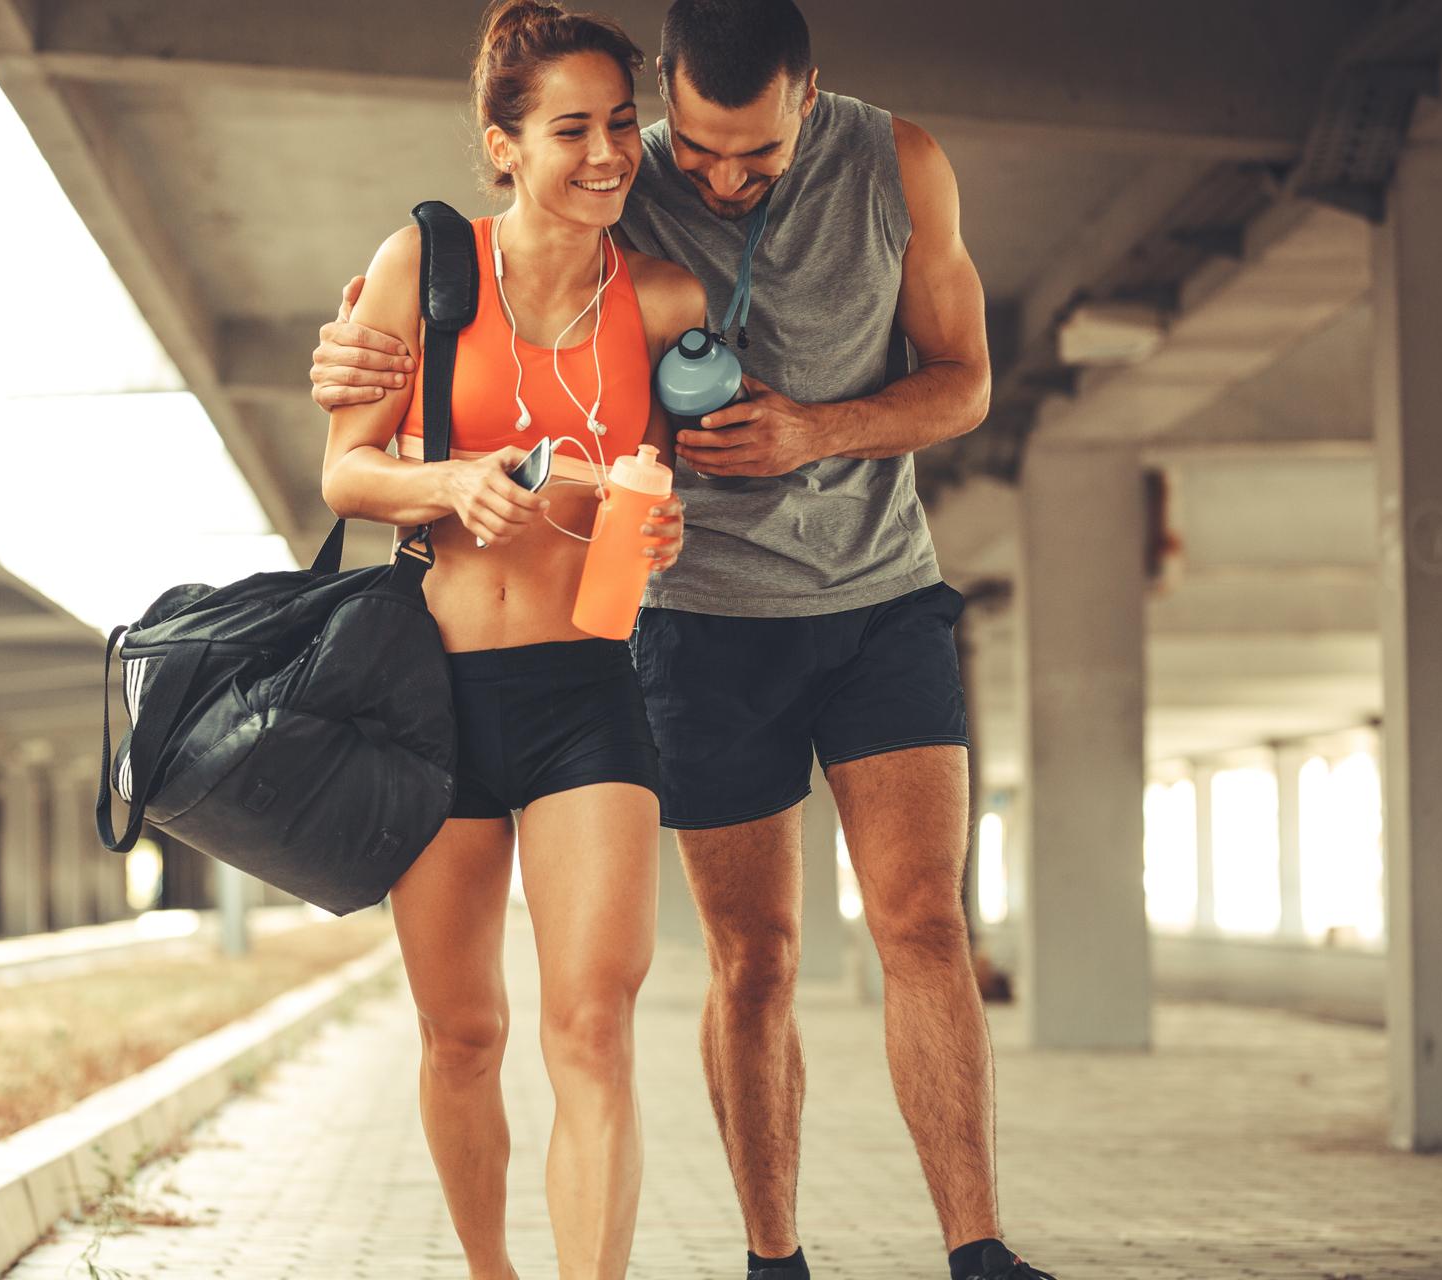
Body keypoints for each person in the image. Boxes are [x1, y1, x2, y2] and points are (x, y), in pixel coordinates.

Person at [313, 3, 1057, 1279]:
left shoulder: (860, 185)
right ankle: (765, 1257)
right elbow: (361, 446)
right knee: (682, 973)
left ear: (810, 95)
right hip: (680, 631)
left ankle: (976, 1249)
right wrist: (384, 395)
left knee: (899, 925)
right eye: (684, 151)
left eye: (751, 158)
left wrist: (804, 436)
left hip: (845, 597)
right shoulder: (575, 196)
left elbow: (968, 378)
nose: (705, 178)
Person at [320, 3, 706, 1276]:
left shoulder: (659, 298)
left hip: (588, 688)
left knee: (591, 1024)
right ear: (503, 144)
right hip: (432, 699)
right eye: (571, 129)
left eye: (620, 124)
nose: (607, 154)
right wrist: (451, 482)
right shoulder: (424, 267)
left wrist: (656, 534)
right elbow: (348, 474)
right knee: (463, 1033)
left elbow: (670, 487)